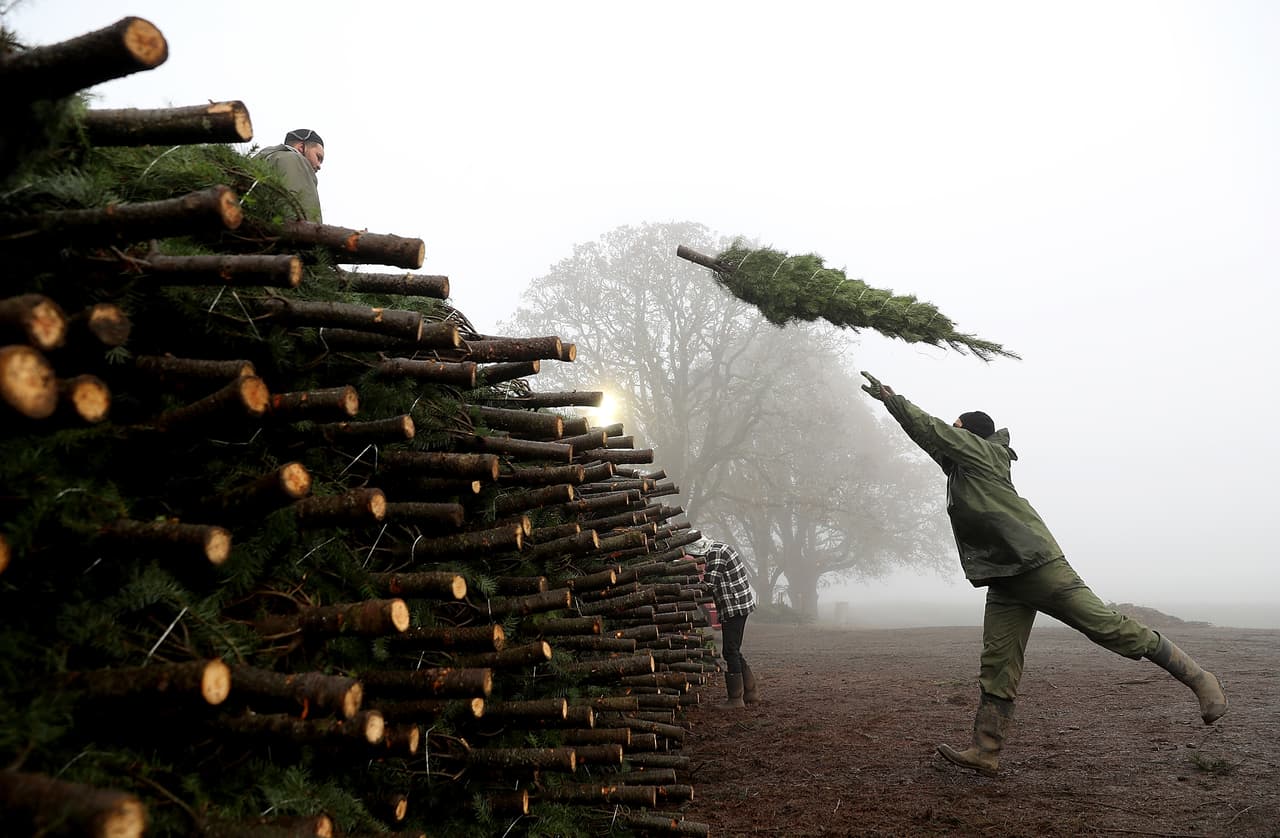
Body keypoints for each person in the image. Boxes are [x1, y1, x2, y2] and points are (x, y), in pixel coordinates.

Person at [859, 371, 1227, 777]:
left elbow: (935, 431)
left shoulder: (987, 455)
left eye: (958, 428)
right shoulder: (962, 469)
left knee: (1109, 628)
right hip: (1004, 577)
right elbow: (930, 438)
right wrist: (893, 407)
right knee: (997, 663)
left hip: (1038, 565)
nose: (950, 434)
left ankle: (1199, 678)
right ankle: (986, 750)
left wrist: (895, 400)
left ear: (972, 437)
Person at [697, 539, 759, 709]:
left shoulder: (716, 553)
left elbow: (709, 584)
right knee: (733, 649)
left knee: (730, 650)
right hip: (736, 605)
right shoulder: (719, 548)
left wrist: (688, 589)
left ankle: (735, 698)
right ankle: (750, 692)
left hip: (734, 606)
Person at [253, 129, 325, 222]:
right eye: (318, 157)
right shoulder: (292, 159)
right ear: (301, 147)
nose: (319, 166)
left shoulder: (266, 160)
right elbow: (296, 212)